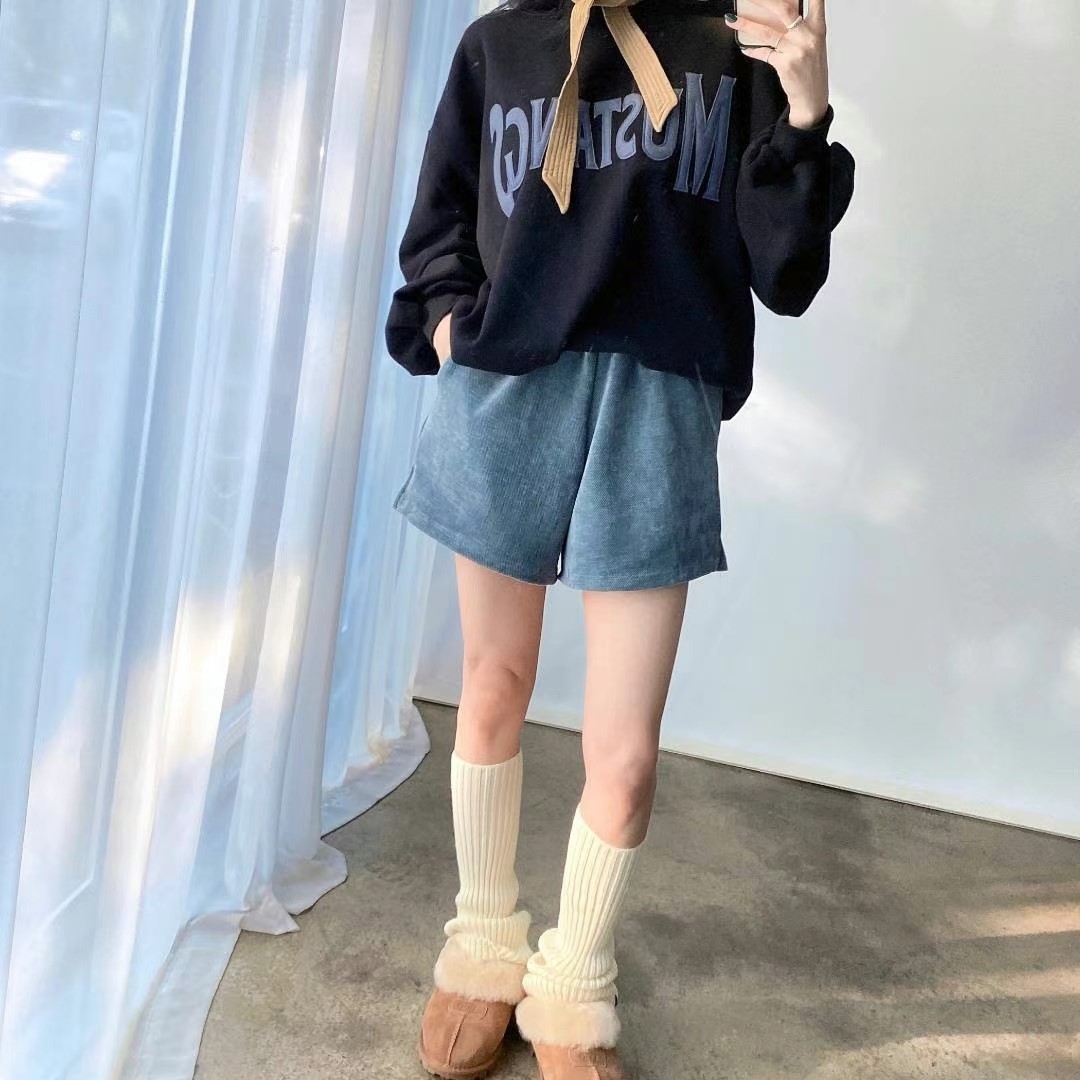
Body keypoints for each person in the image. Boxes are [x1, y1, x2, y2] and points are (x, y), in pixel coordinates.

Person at [385, 1, 855, 1076]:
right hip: (504, 395)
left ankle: (572, 990)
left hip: (657, 406)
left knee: (627, 758)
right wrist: (454, 324)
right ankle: (482, 947)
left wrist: (805, 112)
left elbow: (785, 276)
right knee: (491, 689)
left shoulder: (730, 46)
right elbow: (440, 217)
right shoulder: (500, 43)